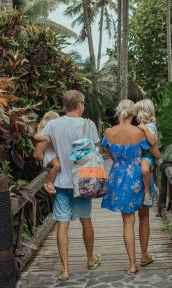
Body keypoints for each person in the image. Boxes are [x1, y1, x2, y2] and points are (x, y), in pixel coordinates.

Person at [33, 90, 102, 281]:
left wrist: (52, 158)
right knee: (85, 220)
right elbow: (96, 150)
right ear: (79, 104)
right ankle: (90, 259)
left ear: (65, 105)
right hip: (83, 181)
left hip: (60, 182)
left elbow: (38, 153)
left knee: (62, 224)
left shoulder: (53, 125)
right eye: (84, 103)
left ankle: (64, 269)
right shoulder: (89, 124)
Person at [101, 99, 158, 274]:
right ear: (133, 114)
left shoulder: (109, 132)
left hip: (118, 177)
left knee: (127, 222)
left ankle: (132, 264)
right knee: (144, 217)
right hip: (137, 177)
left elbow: (108, 152)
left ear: (118, 112)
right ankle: (144, 255)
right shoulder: (139, 133)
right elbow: (156, 153)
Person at [134, 99, 161, 206]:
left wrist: (144, 129)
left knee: (145, 169)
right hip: (140, 154)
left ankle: (147, 193)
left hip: (147, 155)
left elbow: (152, 141)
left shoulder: (150, 126)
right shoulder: (142, 125)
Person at [33, 111, 60, 194]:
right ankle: (49, 182)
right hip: (50, 155)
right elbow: (35, 136)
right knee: (57, 166)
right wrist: (45, 138)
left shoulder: (55, 131)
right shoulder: (46, 131)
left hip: (54, 154)